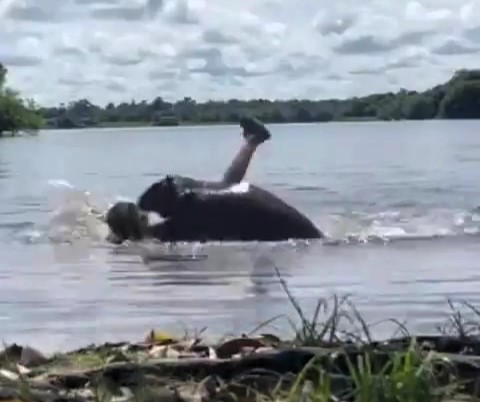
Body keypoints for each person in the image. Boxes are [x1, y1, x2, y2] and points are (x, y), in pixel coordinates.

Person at [105, 117, 323, 244]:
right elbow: (227, 187)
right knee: (220, 191)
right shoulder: (185, 203)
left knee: (312, 241)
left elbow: (156, 236)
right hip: (247, 200)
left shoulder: (178, 228)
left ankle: (253, 141)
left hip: (259, 212)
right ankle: (253, 141)